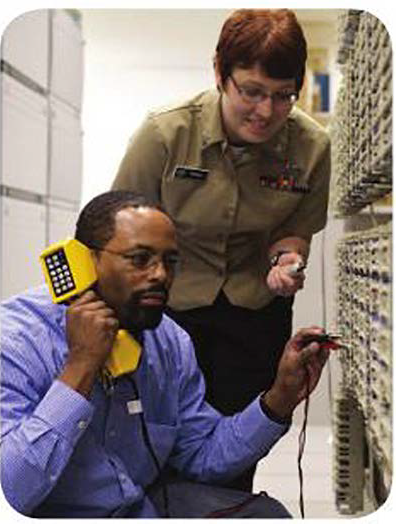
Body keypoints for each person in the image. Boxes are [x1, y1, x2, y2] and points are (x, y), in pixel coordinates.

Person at [1, 190, 331, 518]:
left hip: (139, 509)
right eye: (140, 259)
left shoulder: (168, 342)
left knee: (265, 514)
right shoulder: (14, 343)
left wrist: (281, 398)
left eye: (169, 262)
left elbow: (203, 456)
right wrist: (80, 367)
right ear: (83, 261)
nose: (160, 275)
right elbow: (9, 493)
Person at [112, 9, 331, 491]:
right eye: (251, 91)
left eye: (282, 96)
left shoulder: (312, 146)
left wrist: (287, 262)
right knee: (154, 446)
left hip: (253, 316)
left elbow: (296, 231)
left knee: (234, 454)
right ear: (220, 73)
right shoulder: (166, 134)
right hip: (165, 316)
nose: (266, 111)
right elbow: (118, 226)